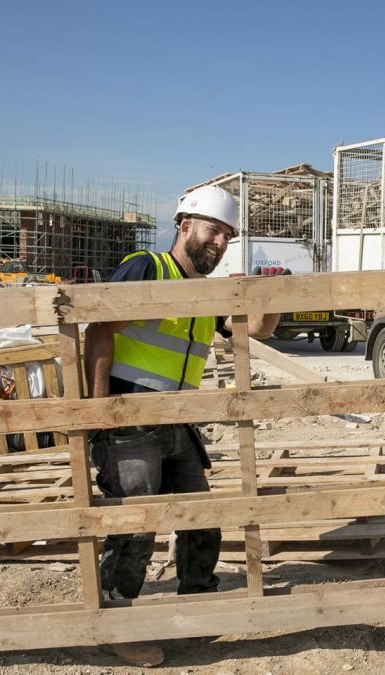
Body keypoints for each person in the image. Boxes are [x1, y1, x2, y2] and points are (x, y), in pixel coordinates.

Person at [83, 185, 279, 667]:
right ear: (184, 224)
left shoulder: (204, 294)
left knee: (200, 520)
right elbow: (98, 329)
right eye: (214, 231)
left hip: (178, 420)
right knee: (135, 527)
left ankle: (199, 604)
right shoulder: (147, 268)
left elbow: (252, 330)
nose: (220, 243)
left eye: (228, 237)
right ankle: (117, 622)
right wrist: (97, 411)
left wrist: (273, 295)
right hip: (130, 417)